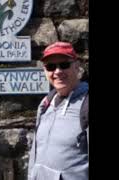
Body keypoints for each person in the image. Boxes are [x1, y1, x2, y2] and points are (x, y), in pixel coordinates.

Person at [28, 42, 88, 180]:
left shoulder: (86, 104)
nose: (57, 71)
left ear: (76, 66)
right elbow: (34, 154)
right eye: (50, 67)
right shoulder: (45, 104)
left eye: (64, 65)